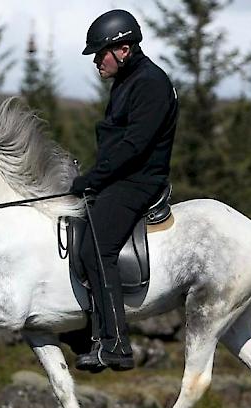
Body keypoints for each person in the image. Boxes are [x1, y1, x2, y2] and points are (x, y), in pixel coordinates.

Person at [69, 9, 179, 372]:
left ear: (124, 50)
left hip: (138, 182)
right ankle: (84, 333)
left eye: (100, 53)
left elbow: (133, 146)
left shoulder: (151, 83)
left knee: (96, 249)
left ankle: (115, 345)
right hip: (120, 177)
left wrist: (93, 179)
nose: (97, 62)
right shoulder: (127, 82)